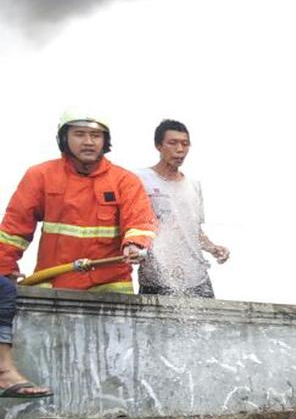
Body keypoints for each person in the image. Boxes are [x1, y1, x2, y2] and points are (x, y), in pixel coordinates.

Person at [0, 110, 155, 294]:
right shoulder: (41, 176)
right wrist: (4, 269)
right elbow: (14, 230)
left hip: (110, 289)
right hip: (53, 286)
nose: (88, 142)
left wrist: (134, 244)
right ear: (64, 138)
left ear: (105, 141)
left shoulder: (125, 181)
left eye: (95, 135)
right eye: (79, 134)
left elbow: (139, 221)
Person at [136, 119, 229, 297]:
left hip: (197, 278)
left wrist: (213, 248)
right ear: (158, 146)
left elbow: (194, 230)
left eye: (185, 144)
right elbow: (132, 223)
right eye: (173, 143)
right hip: (157, 277)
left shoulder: (193, 186)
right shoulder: (140, 179)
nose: (180, 149)